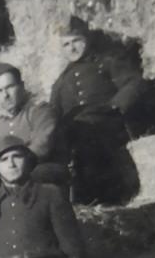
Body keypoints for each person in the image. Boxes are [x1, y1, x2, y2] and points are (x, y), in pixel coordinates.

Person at [49, 16, 145, 204]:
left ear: (87, 39)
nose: (72, 48)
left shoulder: (106, 62)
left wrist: (114, 106)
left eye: (76, 41)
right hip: (77, 136)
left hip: (107, 125)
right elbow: (53, 115)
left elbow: (133, 83)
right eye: (66, 44)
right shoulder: (61, 82)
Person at [0, 62, 70, 187]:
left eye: (10, 87)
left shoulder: (39, 110)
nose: (5, 95)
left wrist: (12, 172)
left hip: (45, 171)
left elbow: (42, 146)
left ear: (22, 86)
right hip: (15, 175)